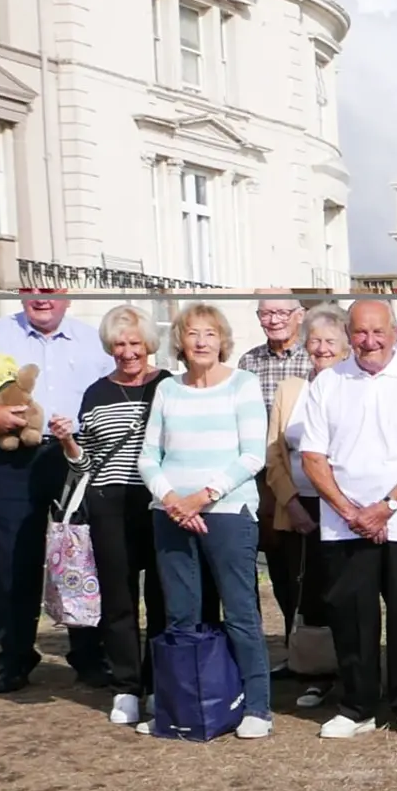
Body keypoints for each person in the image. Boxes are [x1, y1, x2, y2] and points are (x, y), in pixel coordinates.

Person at [296, 298, 397, 740]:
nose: (369, 341)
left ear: (393, 332)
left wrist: (386, 507)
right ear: (348, 334)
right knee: (351, 615)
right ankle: (357, 705)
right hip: (344, 524)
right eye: (360, 332)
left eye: (377, 331)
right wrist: (350, 511)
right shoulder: (328, 383)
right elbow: (312, 456)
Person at [0, 289, 116, 692]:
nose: (41, 300)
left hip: (71, 454)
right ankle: (14, 659)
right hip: (10, 457)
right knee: (13, 557)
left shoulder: (94, 339)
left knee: (80, 554)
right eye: (32, 292)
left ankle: (89, 655)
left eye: (51, 293)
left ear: (68, 299)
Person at [136, 304, 271, 738]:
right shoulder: (168, 390)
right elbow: (147, 457)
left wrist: (201, 497)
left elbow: (252, 455)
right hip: (171, 515)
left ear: (221, 340)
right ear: (180, 340)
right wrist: (173, 500)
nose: (200, 341)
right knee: (180, 616)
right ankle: (182, 704)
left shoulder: (243, 385)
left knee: (239, 613)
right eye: (192, 333)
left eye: (209, 334)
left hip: (228, 514)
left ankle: (257, 708)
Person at [48, 305, 170, 727]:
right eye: (119, 344)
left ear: (149, 344)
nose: (128, 352)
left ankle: (157, 684)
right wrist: (67, 441)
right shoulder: (96, 392)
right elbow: (84, 465)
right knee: (119, 601)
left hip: (157, 503)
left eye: (135, 343)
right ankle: (127, 687)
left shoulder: (169, 386)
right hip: (108, 504)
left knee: (162, 598)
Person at [265, 306, 349, 711]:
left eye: (331, 341)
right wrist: (292, 503)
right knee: (302, 592)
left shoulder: (352, 388)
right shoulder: (290, 390)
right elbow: (274, 455)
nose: (321, 348)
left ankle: (351, 669)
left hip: (342, 507)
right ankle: (315, 672)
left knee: (341, 592)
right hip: (297, 508)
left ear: (346, 347)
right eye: (314, 341)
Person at [238, 291, 310, 659]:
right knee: (277, 561)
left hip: (302, 470)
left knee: (305, 564)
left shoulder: (314, 354)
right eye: (266, 313)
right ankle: (288, 642)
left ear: (300, 315)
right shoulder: (249, 361)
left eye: (282, 312)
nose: (274, 319)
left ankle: (311, 645)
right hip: (260, 471)